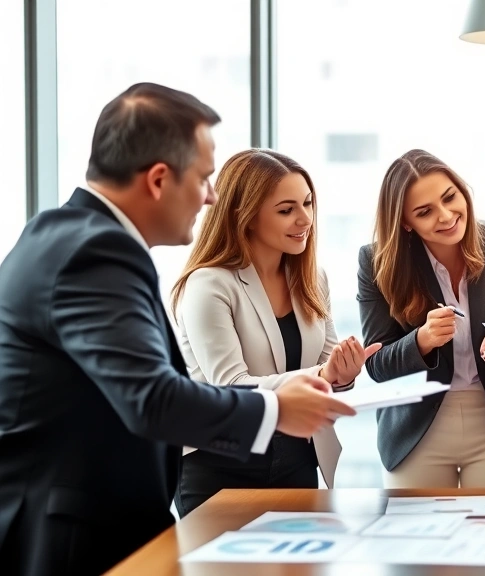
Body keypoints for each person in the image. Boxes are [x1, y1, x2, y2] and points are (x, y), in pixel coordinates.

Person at [0, 83, 354, 575]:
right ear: (159, 179)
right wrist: (276, 408)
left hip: (83, 522)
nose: (211, 196)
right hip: (73, 536)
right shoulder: (96, 253)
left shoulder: (65, 235)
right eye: (204, 177)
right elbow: (154, 398)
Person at [170, 149, 380, 516]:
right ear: (246, 216)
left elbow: (327, 370)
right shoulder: (209, 284)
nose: (305, 219)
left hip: (297, 455)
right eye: (286, 210)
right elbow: (231, 385)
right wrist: (323, 374)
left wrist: (343, 373)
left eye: (308, 203)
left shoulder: (313, 278)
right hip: (220, 461)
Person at [356, 149, 485, 488]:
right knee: (419, 522)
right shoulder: (376, 262)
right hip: (415, 427)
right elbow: (376, 364)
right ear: (406, 222)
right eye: (425, 212)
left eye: (450, 197)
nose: (446, 216)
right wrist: (421, 340)